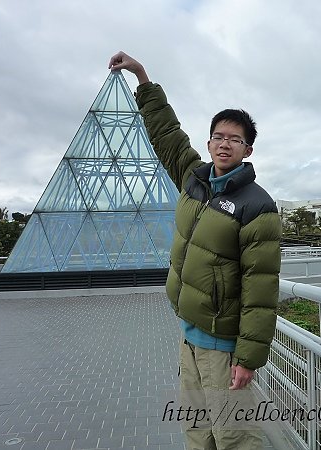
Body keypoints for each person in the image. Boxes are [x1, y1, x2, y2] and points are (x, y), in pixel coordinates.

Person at [109, 51, 281, 450]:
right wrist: (142, 77)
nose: (225, 144)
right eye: (219, 136)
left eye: (235, 139)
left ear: (247, 151)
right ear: (209, 142)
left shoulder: (257, 206)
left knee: (234, 436)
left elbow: (261, 290)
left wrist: (248, 358)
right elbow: (166, 133)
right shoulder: (194, 178)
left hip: (223, 344)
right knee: (197, 431)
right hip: (190, 333)